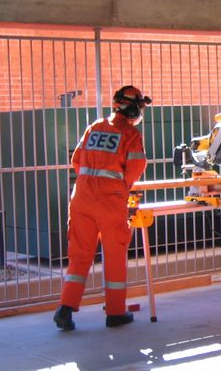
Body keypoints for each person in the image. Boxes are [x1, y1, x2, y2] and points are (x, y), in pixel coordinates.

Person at [53, 85, 152, 331]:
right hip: (109, 202)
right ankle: (115, 312)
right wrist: (119, 186)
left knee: (79, 255)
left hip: (81, 199)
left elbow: (77, 160)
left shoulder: (94, 127)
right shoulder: (130, 134)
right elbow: (136, 167)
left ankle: (65, 308)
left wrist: (92, 182)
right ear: (133, 109)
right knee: (114, 256)